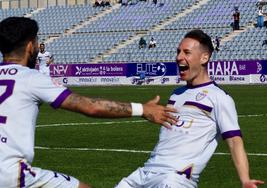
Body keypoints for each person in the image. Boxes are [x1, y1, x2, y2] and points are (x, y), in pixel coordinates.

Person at [0, 17, 178, 188]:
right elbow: (90, 106)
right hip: (9, 173)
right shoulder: (33, 78)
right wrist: (143, 109)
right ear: (30, 46)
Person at [115, 30, 265, 188]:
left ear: (204, 58)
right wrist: (147, 112)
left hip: (174, 179)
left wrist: (245, 180)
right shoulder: (176, 94)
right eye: (178, 51)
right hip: (144, 173)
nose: (179, 57)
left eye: (186, 52)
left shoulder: (220, 98)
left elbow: (234, 141)